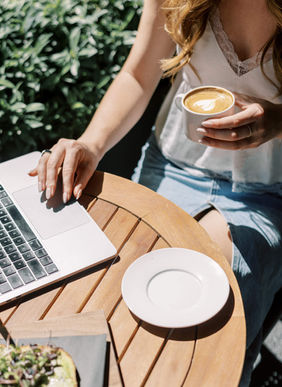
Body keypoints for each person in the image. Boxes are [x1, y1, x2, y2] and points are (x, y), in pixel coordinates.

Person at [30, 0, 282, 385]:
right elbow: (138, 73)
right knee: (123, 286)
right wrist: (92, 144)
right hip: (172, 164)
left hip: (266, 190)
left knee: (212, 304)